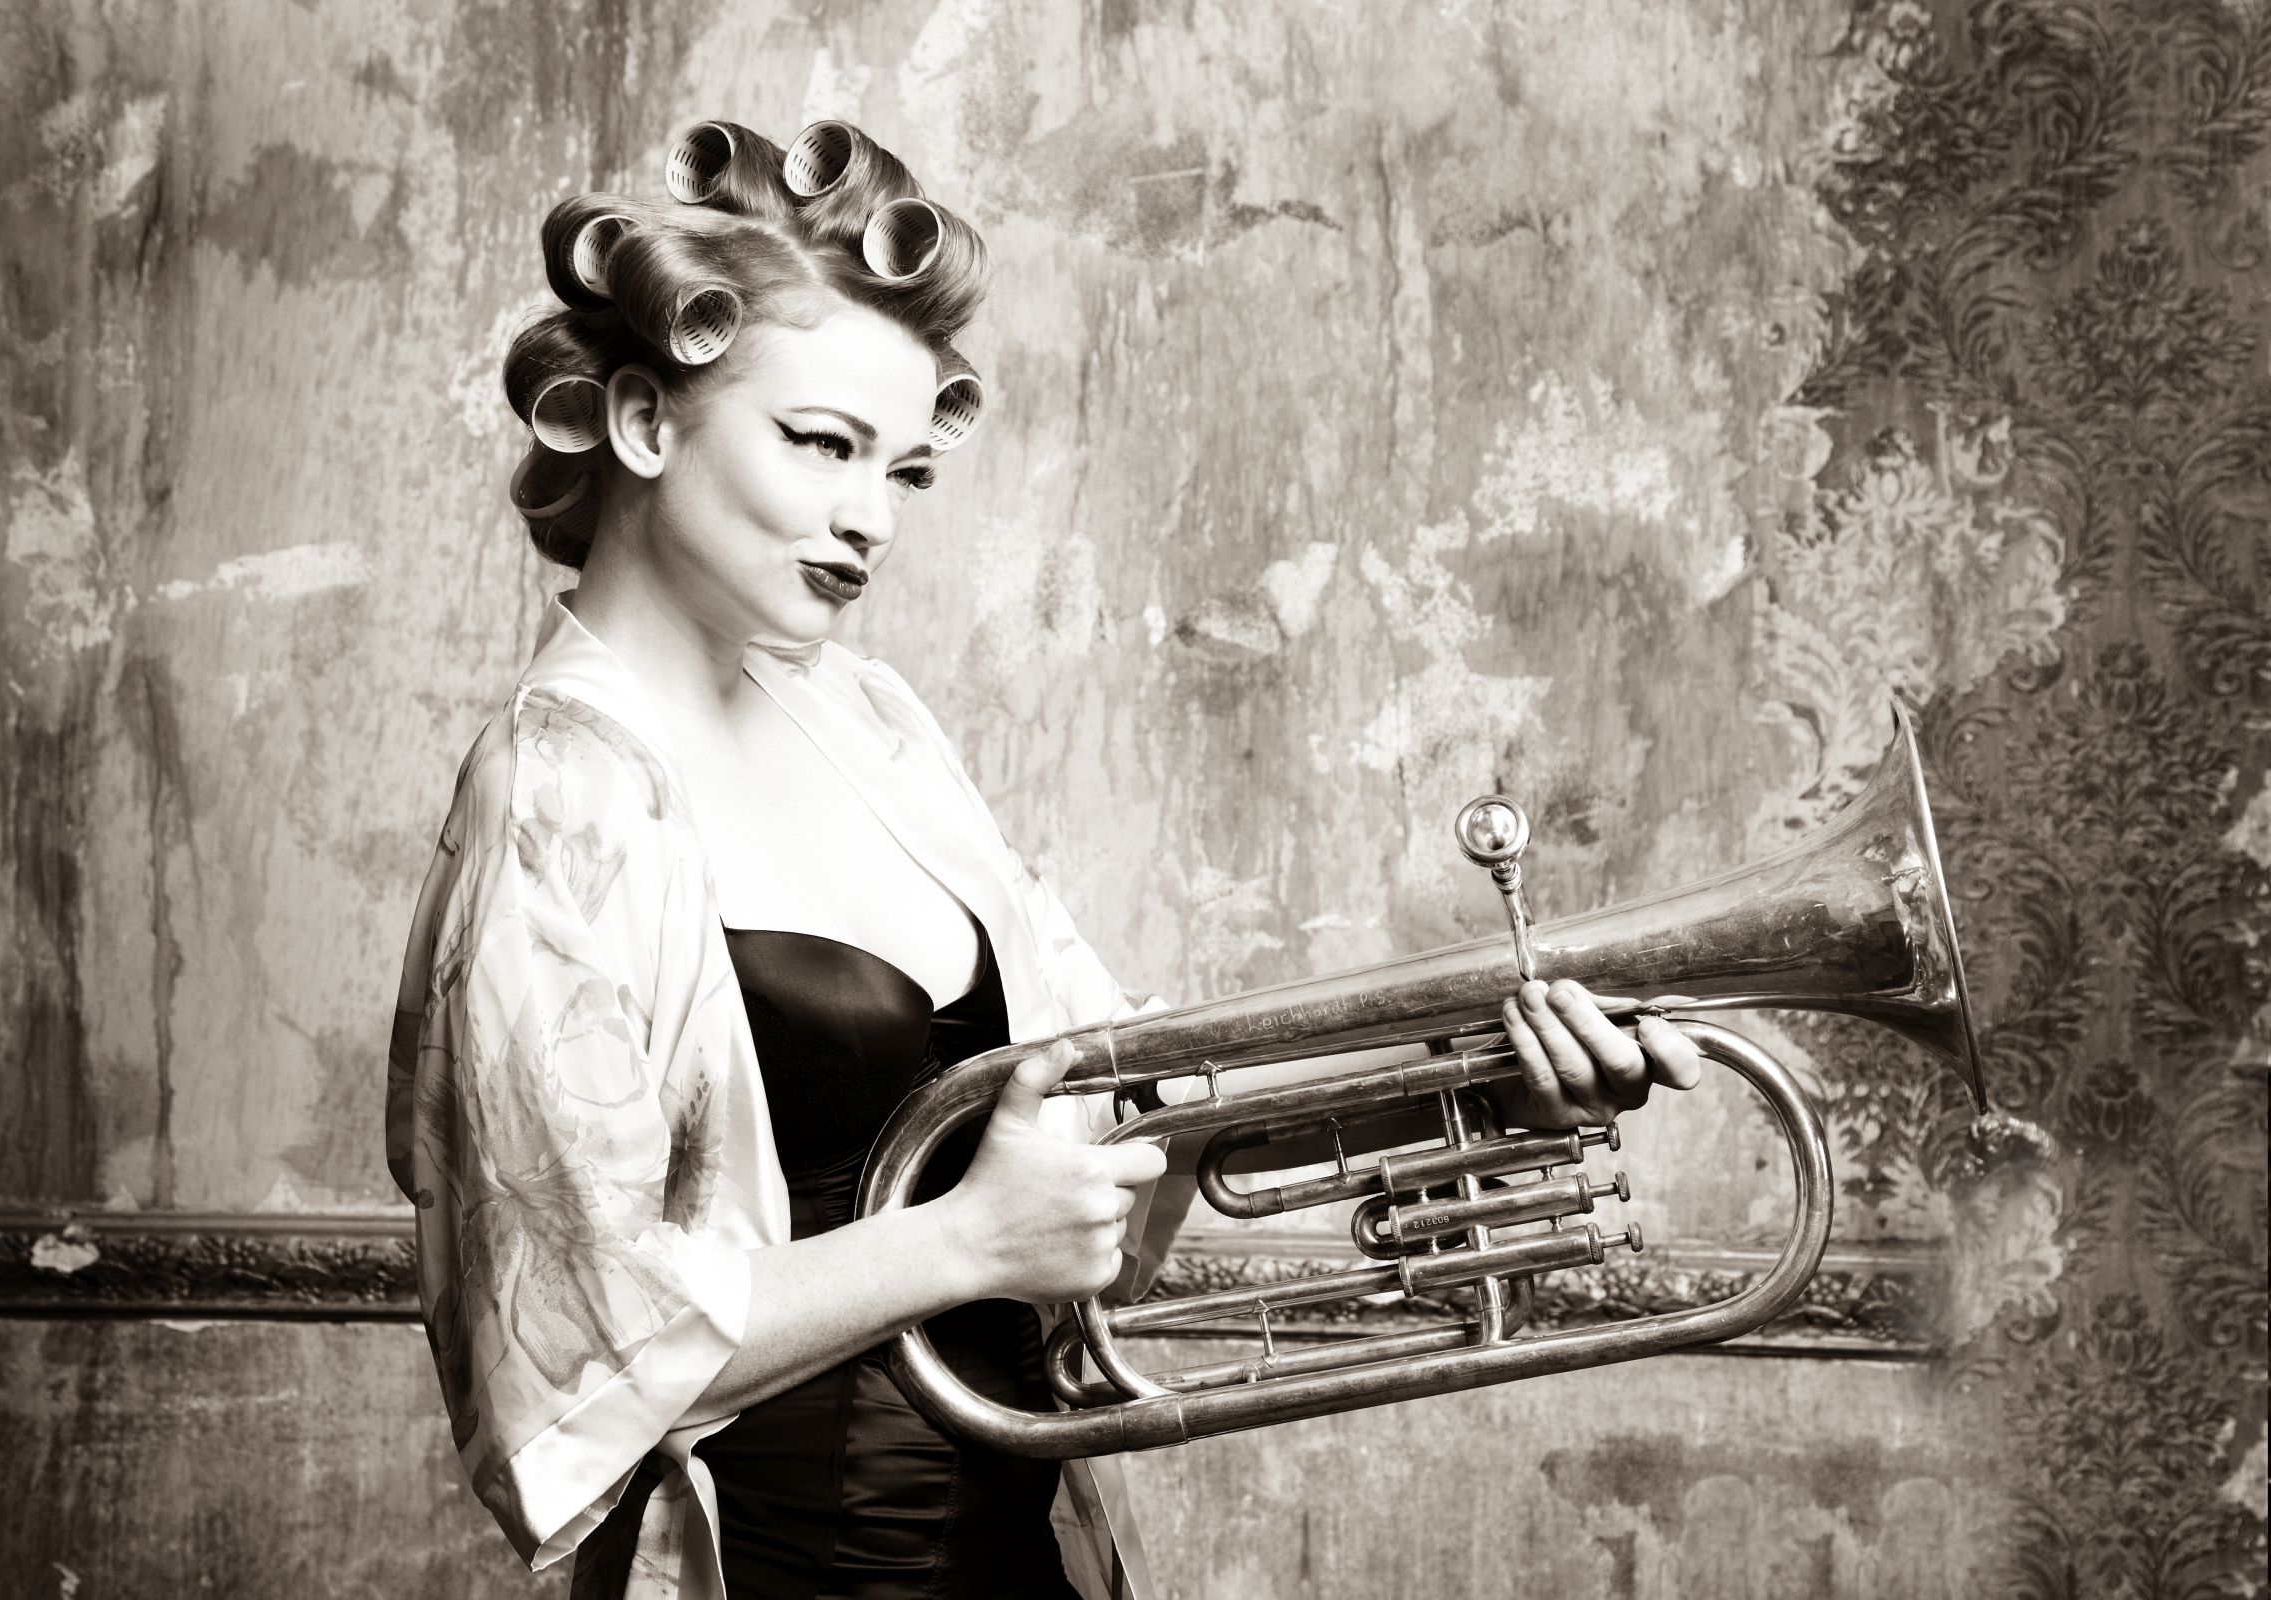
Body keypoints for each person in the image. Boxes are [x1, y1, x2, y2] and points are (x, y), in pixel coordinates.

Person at [385, 117, 1702, 1600]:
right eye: (819, 445)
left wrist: (1474, 1091)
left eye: (902, 471)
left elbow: (1129, 1108)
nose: (867, 518)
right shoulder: (558, 784)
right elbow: (571, 1354)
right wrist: (962, 1242)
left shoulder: (866, 720)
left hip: (1030, 1555)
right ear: (640, 424)